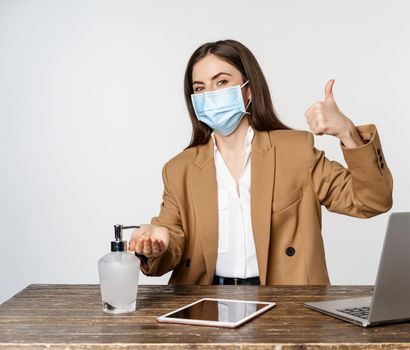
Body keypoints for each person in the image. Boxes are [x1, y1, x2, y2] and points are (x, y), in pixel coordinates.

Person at [128, 39, 393, 285]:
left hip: (286, 301)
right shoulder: (179, 169)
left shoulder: (295, 150)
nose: (210, 94)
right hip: (206, 300)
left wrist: (347, 132)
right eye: (200, 88)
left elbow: (371, 201)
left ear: (249, 91)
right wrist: (158, 243)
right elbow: (171, 242)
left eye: (221, 82)